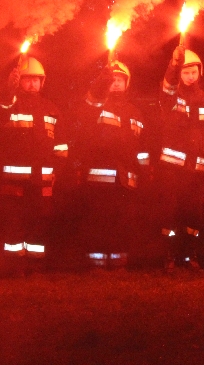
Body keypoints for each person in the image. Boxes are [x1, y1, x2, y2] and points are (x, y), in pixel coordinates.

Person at [0, 56, 67, 275]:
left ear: (42, 82)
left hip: (42, 181)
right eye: (27, 79)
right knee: (14, 223)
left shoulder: (52, 109)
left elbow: (61, 146)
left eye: (36, 79)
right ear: (20, 82)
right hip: (15, 181)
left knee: (39, 222)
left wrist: (57, 170)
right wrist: (9, 88)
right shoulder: (11, 103)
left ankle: (35, 266)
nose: (32, 84)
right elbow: (1, 105)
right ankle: (15, 266)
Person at [76, 61, 148, 270]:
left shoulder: (135, 113)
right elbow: (88, 109)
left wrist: (144, 172)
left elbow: (142, 147)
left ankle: (118, 262)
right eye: (113, 79)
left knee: (123, 221)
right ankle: (97, 263)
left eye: (120, 80)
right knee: (98, 220)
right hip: (100, 179)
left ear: (127, 83)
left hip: (126, 179)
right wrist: (101, 83)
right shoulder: (96, 105)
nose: (116, 83)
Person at [154, 46, 204, 272]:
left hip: (197, 170)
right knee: (170, 213)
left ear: (200, 72)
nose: (190, 76)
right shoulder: (171, 97)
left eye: (194, 72)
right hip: (172, 169)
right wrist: (174, 65)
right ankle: (170, 255)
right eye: (185, 72)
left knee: (194, 214)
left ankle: (191, 254)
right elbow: (168, 86)